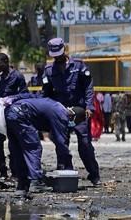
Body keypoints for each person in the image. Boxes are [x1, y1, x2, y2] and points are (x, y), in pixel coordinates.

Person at [42, 37, 101, 187]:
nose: (57, 57)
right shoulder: (48, 71)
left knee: (85, 144)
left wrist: (89, 106)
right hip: (60, 114)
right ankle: (65, 174)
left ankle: (94, 174)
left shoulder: (79, 65)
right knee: (61, 145)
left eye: (59, 53)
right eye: (54, 54)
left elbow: (88, 87)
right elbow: (46, 95)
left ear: (64, 50)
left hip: (80, 112)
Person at [2, 93, 82, 197]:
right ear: (72, 116)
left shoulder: (56, 106)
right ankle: (36, 182)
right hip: (21, 115)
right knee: (34, 147)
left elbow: (31, 96)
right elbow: (61, 142)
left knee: (19, 150)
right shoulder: (62, 115)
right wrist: (68, 166)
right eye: (76, 122)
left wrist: (12, 98)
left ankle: (22, 185)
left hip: (10, 113)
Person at [0, 53, 28, 181]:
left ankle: (15, 173)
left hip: (13, 115)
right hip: (1, 115)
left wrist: (11, 99)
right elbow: (1, 94)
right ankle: (2, 171)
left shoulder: (18, 76)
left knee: (13, 145)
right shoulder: (1, 78)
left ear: (6, 61)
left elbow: (25, 95)